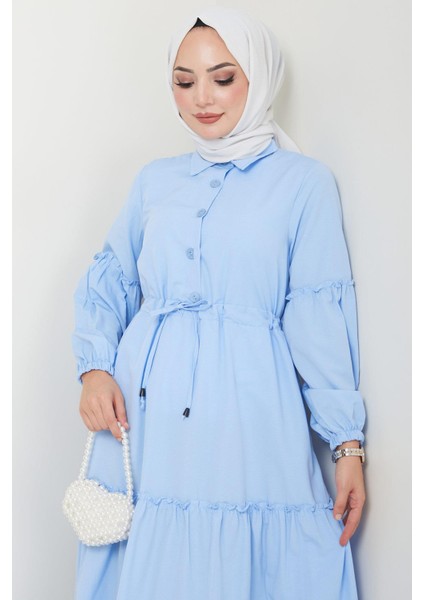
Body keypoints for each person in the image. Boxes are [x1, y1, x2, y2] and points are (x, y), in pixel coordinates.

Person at [71, 6, 366, 599]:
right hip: (146, 413)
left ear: (259, 75)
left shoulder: (303, 183)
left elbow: (315, 316)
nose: (202, 98)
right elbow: (111, 280)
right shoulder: (154, 180)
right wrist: (95, 368)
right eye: (184, 82)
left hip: (247, 410)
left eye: (223, 78)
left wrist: (346, 443)